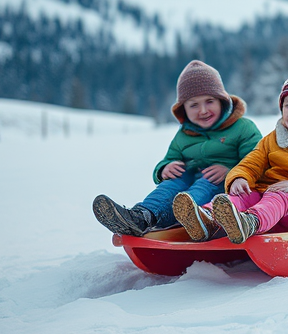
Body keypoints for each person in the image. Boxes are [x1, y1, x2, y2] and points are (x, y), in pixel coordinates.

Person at [172, 60, 288, 244]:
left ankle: (251, 222)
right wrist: (239, 178)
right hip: (271, 202)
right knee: (243, 193)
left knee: (280, 197)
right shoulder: (274, 138)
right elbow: (252, 161)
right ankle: (208, 218)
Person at [92, 60, 262, 236]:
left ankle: (190, 215)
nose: (203, 110)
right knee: (173, 182)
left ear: (222, 101)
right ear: (184, 110)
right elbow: (169, 159)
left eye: (209, 101)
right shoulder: (183, 135)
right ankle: (142, 216)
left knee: (207, 181)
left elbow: (257, 160)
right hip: (187, 183)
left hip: (226, 190)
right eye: (194, 105)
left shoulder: (243, 127)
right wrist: (165, 168)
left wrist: (231, 172)